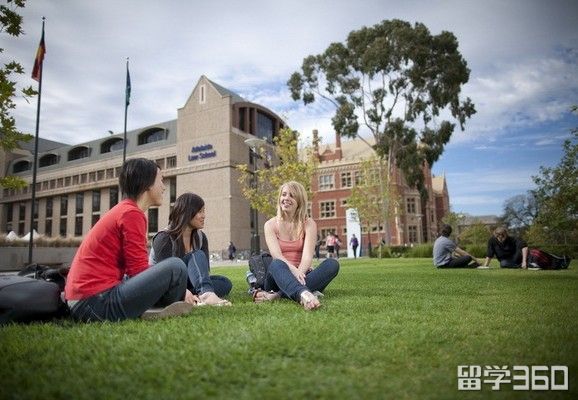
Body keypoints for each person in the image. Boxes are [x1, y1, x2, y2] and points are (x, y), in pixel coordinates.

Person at [64, 158, 195, 322]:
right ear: (147, 183)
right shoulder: (131, 214)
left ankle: (160, 305)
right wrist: (181, 290)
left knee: (177, 272)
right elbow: (138, 271)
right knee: (176, 267)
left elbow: (132, 271)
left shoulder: (126, 210)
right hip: (94, 303)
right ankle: (161, 308)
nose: (164, 186)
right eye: (160, 180)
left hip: (86, 300)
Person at [257, 181, 340, 310]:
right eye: (283, 194)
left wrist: (299, 273)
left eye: (292, 195)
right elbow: (277, 255)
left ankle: (278, 295)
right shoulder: (270, 225)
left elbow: (307, 257)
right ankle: (304, 293)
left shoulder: (309, 224)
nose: (286, 198)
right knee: (277, 263)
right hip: (278, 276)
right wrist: (294, 272)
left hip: (302, 274)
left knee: (332, 264)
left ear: (299, 201)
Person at [151, 193, 232, 306]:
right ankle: (206, 295)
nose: (204, 215)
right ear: (186, 213)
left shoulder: (201, 237)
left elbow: (204, 273)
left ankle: (198, 296)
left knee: (224, 282)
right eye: (200, 211)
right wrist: (183, 290)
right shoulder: (164, 238)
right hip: (164, 286)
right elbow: (165, 275)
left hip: (189, 282)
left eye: (204, 211)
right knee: (196, 254)